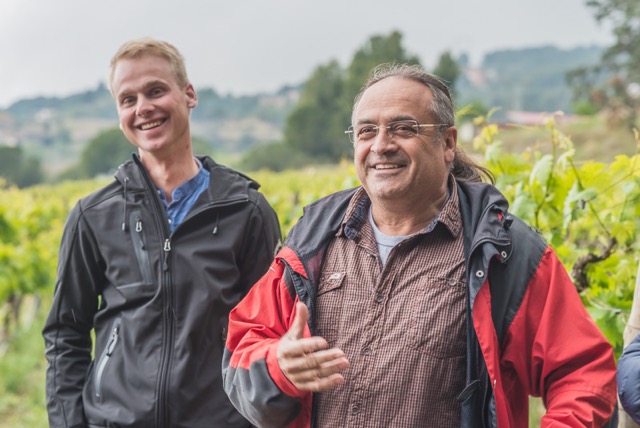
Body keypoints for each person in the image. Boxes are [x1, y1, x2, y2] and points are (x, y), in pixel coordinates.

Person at [221, 63, 617, 427]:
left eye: (403, 128)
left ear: (447, 143)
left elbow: (583, 375)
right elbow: (241, 352)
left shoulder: (502, 250)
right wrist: (277, 367)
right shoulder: (313, 241)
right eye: (366, 131)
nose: (381, 145)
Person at [42, 38, 281, 428]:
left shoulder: (247, 212)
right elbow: (65, 333)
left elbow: (269, 332)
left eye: (155, 91)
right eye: (128, 99)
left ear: (188, 95)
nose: (143, 108)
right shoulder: (92, 216)